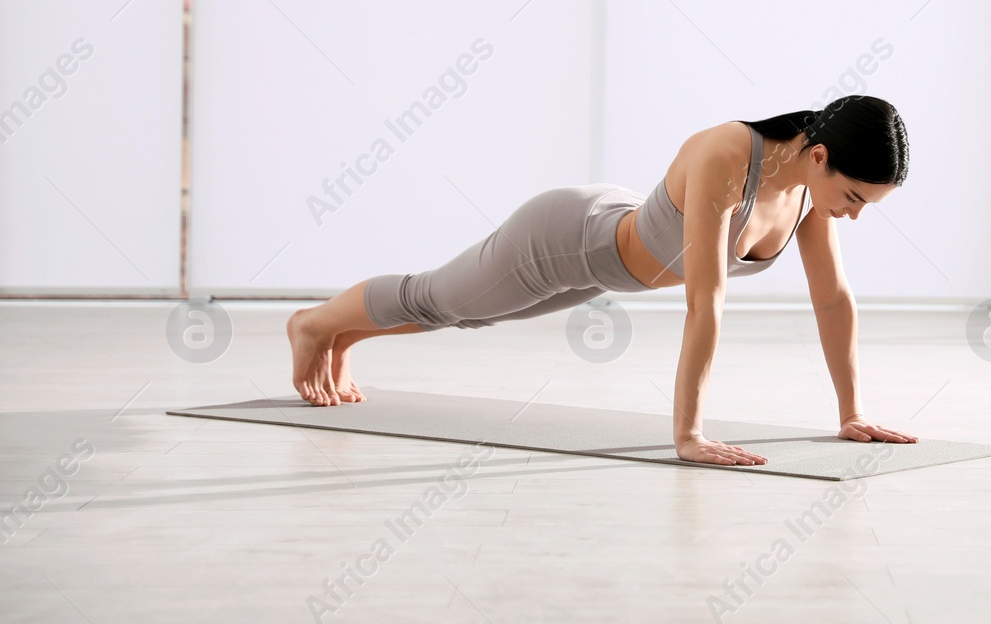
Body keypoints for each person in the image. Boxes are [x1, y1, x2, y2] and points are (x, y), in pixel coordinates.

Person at [284, 94, 918, 466]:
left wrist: (851, 413)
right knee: (442, 301)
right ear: (818, 157)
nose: (854, 215)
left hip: (609, 263)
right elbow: (706, 303)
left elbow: (832, 300)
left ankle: (345, 336)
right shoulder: (728, 156)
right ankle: (313, 324)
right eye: (855, 196)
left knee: (471, 313)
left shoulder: (808, 193)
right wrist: (688, 435)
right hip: (565, 240)